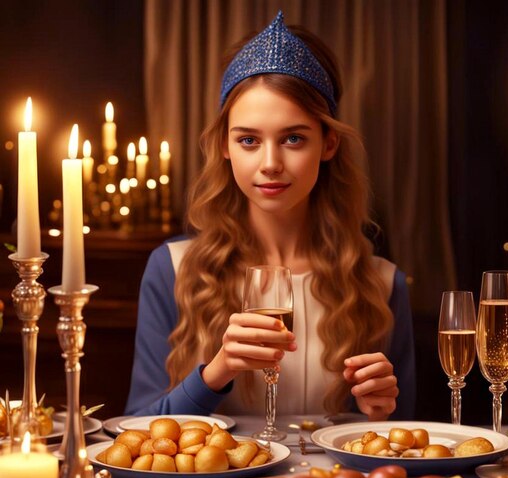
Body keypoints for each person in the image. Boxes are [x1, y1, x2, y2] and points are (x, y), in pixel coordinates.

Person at [125, 11, 415, 421]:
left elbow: (402, 443)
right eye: (248, 140)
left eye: (293, 138)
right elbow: (135, 430)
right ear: (225, 146)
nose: (270, 163)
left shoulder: (380, 283)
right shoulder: (173, 269)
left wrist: (382, 414)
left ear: (328, 144)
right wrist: (217, 371)